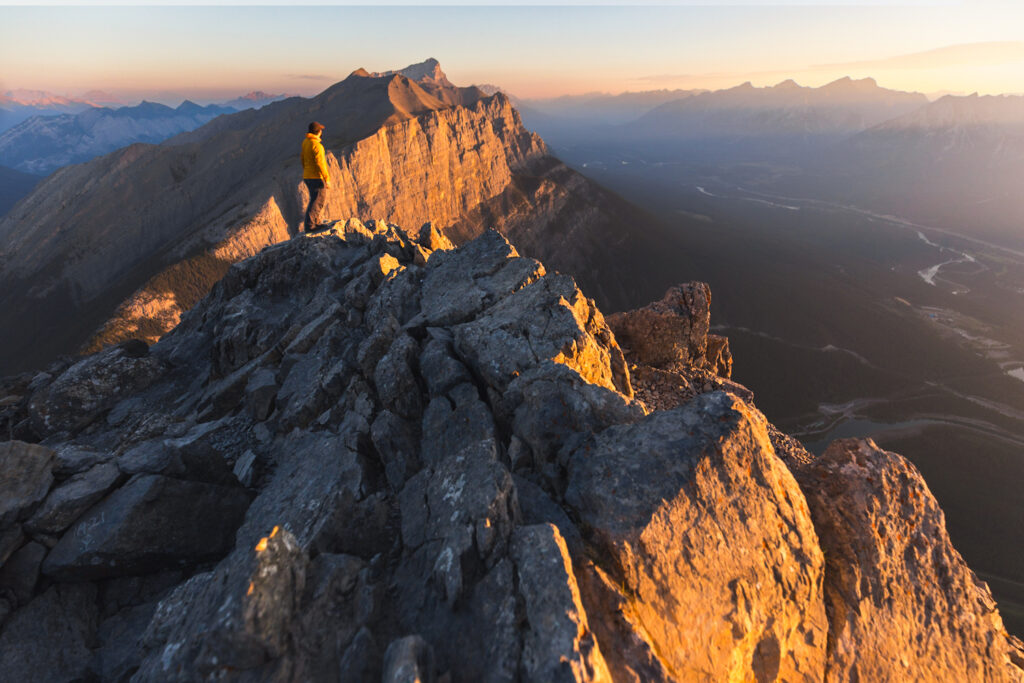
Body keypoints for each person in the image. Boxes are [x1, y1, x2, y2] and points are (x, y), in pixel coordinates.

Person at [301, 121, 331, 232]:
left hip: (307, 176)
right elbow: (321, 163)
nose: (322, 132)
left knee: (315, 199)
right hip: (316, 177)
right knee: (317, 201)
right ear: (318, 132)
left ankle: (316, 222)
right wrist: (326, 179)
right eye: (321, 130)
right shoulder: (317, 146)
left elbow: (302, 158)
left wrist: (306, 171)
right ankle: (310, 226)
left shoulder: (306, 142)